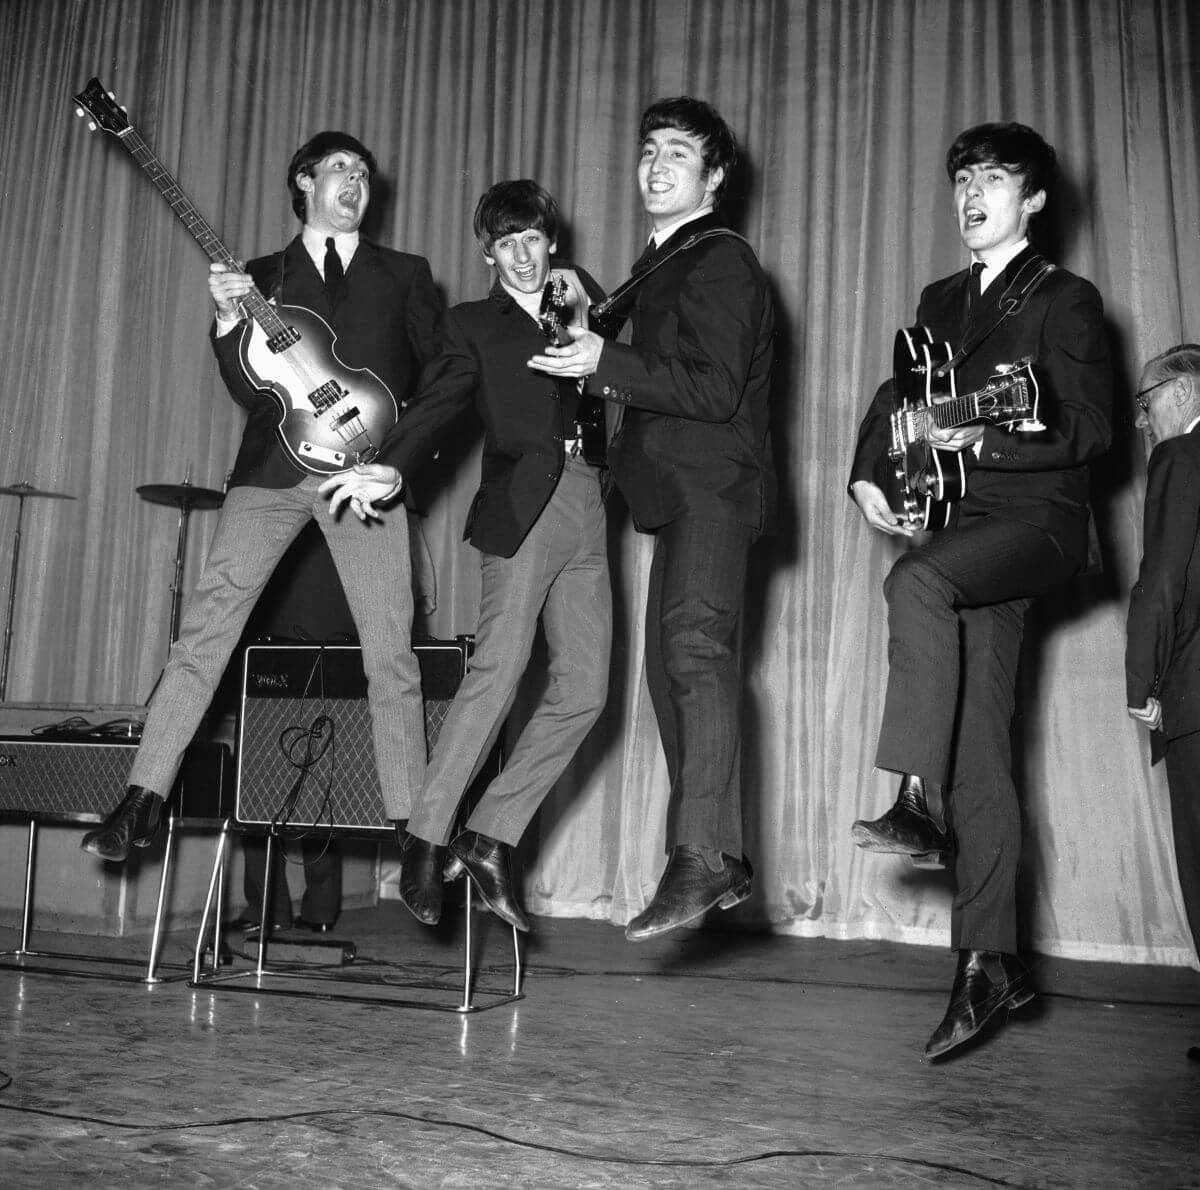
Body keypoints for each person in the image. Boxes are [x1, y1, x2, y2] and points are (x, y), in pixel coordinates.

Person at [81, 131, 442, 862]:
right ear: (304, 182)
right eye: (341, 168)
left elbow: (441, 383)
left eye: (365, 174)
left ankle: (415, 832)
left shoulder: (405, 274)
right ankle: (141, 799)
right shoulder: (259, 275)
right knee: (204, 635)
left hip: (361, 476)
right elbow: (252, 386)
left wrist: (399, 464)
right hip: (272, 470)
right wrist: (224, 320)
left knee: (389, 654)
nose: (356, 180)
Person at [847, 122, 1112, 1060]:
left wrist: (987, 440)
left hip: (1037, 524)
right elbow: (896, 400)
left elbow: (1090, 427)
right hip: (968, 532)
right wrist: (868, 468)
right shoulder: (940, 299)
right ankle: (988, 961)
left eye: (995, 178)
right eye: (964, 176)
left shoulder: (1067, 301)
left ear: (1032, 200)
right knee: (982, 753)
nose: (974, 191)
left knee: (913, 581)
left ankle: (914, 798)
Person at [319, 180, 611, 932]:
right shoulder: (473, 324)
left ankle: (488, 837)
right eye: (505, 243)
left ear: (553, 242)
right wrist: (395, 463)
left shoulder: (584, 307)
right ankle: (425, 837)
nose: (521, 255)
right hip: (520, 510)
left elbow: (630, 380)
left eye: (532, 240)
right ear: (488, 253)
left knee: (585, 691)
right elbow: (440, 401)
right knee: (500, 672)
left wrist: (592, 309)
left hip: (590, 507)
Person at [527, 97, 776, 941]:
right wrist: (593, 306)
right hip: (674, 495)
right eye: (648, 150)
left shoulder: (722, 260)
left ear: (714, 178)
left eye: (679, 153)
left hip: (710, 487)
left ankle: (704, 855)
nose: (657, 164)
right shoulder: (664, 261)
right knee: (675, 674)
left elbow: (709, 386)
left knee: (695, 656)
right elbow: (661, 352)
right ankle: (720, 855)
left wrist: (604, 356)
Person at [1125, 344, 1200, 1023]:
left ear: (1183, 391)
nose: (1144, 422)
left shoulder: (1179, 459)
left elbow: (1163, 581)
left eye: (1146, 404)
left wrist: (1141, 678)